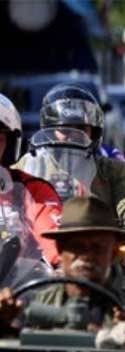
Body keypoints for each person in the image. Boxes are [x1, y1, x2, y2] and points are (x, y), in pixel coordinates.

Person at [0, 196, 125, 344]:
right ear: (61, 249)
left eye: (97, 248)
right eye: (77, 247)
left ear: (112, 253)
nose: (86, 256)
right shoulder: (29, 306)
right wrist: (4, 323)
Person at [16, 85, 125, 230]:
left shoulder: (114, 170)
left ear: (94, 132)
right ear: (50, 130)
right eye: (64, 128)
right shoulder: (28, 164)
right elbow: (7, 199)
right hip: (37, 247)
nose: (73, 135)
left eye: (81, 129)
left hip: (96, 246)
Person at [0, 93, 63, 266]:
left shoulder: (34, 191)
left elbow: (55, 244)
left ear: (10, 145)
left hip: (17, 287)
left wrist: (62, 262)